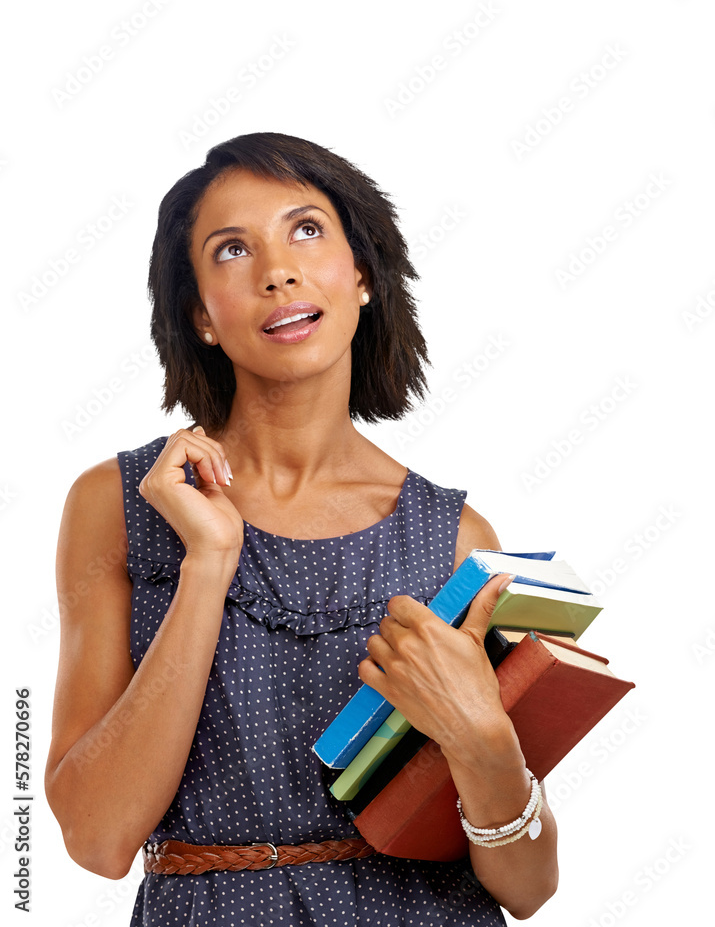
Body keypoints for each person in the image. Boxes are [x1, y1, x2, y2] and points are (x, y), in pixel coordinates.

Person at [45, 132, 559, 925]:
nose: (276, 269)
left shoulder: (454, 536)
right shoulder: (120, 505)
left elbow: (526, 889)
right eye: (230, 250)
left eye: (306, 230)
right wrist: (208, 565)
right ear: (200, 316)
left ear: (360, 275)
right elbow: (98, 839)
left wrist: (483, 737)